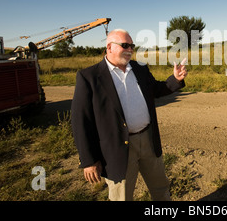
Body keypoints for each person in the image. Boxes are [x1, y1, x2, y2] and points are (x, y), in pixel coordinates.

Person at [71, 29, 187, 201]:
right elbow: (81, 121)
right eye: (125, 45)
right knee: (122, 197)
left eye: (132, 46)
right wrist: (88, 160)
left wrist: (175, 79)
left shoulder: (139, 68)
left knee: (160, 187)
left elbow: (156, 89)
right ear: (109, 47)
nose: (130, 49)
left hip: (148, 139)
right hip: (117, 149)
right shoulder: (89, 77)